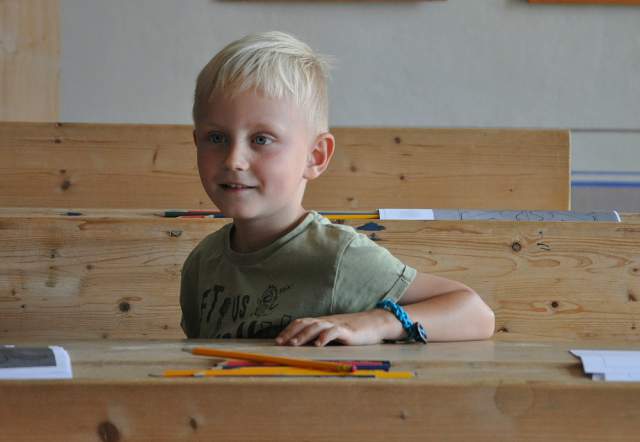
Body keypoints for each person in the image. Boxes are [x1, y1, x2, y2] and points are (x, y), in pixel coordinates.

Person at [180, 31, 495, 346]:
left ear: (315, 156)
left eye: (261, 139)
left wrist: (376, 323)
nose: (234, 160)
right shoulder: (202, 264)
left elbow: (475, 313)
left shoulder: (338, 257)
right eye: (216, 138)